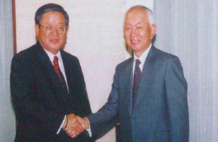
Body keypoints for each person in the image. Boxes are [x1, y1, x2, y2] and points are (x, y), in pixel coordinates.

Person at [71, 5, 189, 142]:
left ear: (152, 31)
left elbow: (179, 120)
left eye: (139, 27)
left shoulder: (168, 64)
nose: (133, 34)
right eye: (128, 28)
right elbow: (112, 107)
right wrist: (86, 122)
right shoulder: (122, 70)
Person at [10, 3, 93, 142]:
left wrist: (82, 125)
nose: (55, 33)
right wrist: (64, 121)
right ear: (37, 29)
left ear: (66, 30)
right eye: (48, 27)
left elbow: (83, 106)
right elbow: (24, 106)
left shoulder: (72, 62)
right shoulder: (23, 60)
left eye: (61, 27)